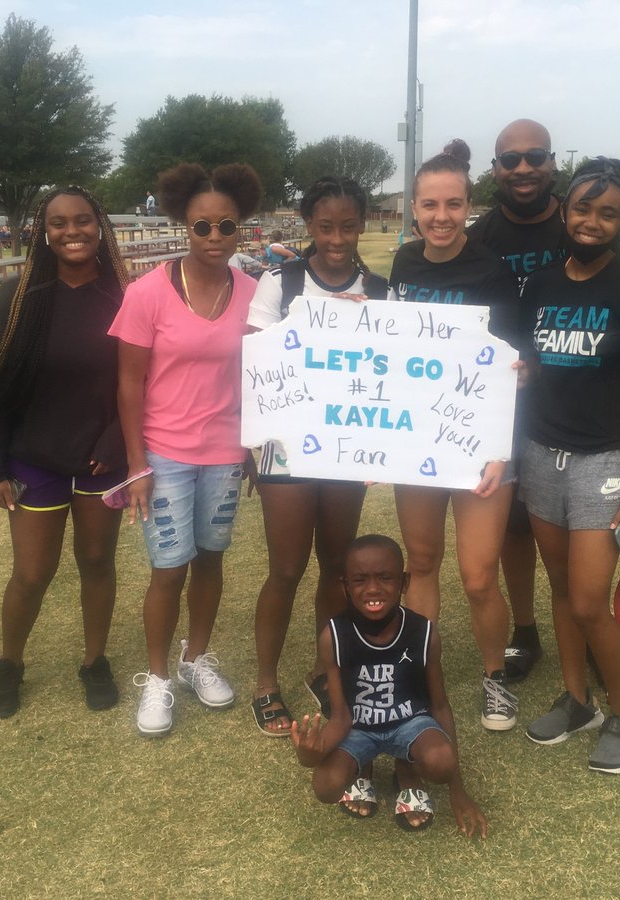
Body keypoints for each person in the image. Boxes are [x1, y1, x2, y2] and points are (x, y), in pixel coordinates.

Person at [519, 157, 620, 774]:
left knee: (587, 602)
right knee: (559, 588)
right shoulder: (541, 285)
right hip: (540, 454)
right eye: (583, 208)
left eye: (609, 213)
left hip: (605, 459)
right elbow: (532, 366)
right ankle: (577, 699)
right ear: (565, 210)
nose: (592, 221)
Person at [111, 162, 263, 737]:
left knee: (210, 560)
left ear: (241, 227)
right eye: (202, 226)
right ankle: (157, 679)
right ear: (183, 225)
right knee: (168, 569)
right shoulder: (146, 293)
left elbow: (263, 375)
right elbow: (128, 384)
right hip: (164, 453)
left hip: (224, 451)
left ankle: (195, 659)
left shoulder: (254, 294)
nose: (215, 237)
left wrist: (252, 447)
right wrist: (136, 465)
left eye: (227, 226)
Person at [0, 187, 131, 718]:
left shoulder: (125, 296)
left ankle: (94, 661)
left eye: (82, 220)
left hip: (102, 458)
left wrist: (119, 436)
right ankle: (10, 664)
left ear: (99, 226)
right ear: (44, 232)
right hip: (34, 457)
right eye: (58, 223)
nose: (72, 232)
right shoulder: (18, 299)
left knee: (97, 561)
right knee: (32, 573)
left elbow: (142, 380)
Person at [388, 139, 523, 732]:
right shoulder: (404, 264)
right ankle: (419, 674)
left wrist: (498, 449)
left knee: (478, 576)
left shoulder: (492, 270)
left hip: (477, 444)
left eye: (453, 204)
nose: (441, 216)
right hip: (419, 439)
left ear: (469, 206)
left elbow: (511, 368)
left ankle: (495, 678)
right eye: (429, 205)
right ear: (414, 208)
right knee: (421, 562)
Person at [247, 176, 389, 735]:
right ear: (308, 224)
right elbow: (255, 360)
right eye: (325, 226)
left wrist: (363, 321)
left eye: (348, 226)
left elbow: (391, 371)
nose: (336, 238)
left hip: (346, 448)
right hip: (285, 446)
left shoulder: (380, 291)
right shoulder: (279, 282)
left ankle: (324, 671)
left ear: (362, 225)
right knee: (286, 568)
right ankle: (265, 683)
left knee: (336, 567)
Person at [290, 535, 487, 838]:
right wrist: (309, 755)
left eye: (385, 578)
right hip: (358, 727)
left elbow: (439, 706)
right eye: (360, 579)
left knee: (441, 762)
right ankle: (363, 765)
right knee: (326, 787)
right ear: (345, 586)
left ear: (404, 582)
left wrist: (457, 790)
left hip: (411, 724)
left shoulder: (424, 633)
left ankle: (406, 769)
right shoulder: (334, 637)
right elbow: (341, 716)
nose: (373, 589)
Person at [467, 118, 565, 683]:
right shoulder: (481, 237)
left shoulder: (577, 224)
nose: (523, 168)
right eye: (510, 160)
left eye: (535, 157)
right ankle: (525, 630)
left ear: (552, 162)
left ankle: (583, 625)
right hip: (500, 401)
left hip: (570, 395)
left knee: (573, 525)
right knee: (514, 527)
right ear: (495, 169)